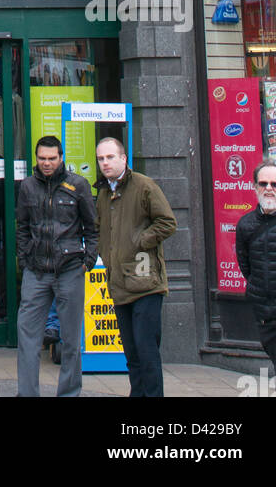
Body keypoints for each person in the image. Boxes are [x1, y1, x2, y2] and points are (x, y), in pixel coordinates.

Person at [15, 134, 98, 397]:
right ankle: (28, 394)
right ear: (36, 158)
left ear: (61, 158)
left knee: (71, 339)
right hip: (36, 271)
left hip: (70, 269)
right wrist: (24, 258)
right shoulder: (27, 186)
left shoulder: (79, 185)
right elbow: (23, 227)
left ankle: (69, 393)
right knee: (27, 337)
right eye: (42, 159)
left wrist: (88, 260)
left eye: (52, 158)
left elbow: (92, 228)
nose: (47, 163)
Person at [95, 136, 177, 398]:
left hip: (146, 285)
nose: (105, 163)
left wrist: (140, 240)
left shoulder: (144, 186)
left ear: (123, 158)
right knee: (131, 353)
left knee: (146, 351)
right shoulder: (104, 193)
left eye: (110, 157)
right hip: (119, 284)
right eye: (100, 158)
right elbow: (100, 229)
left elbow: (167, 222)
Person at [235, 159, 276, 393]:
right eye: (263, 183)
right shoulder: (246, 224)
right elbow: (245, 265)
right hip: (265, 313)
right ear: (255, 187)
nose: (269, 188)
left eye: (275, 184)